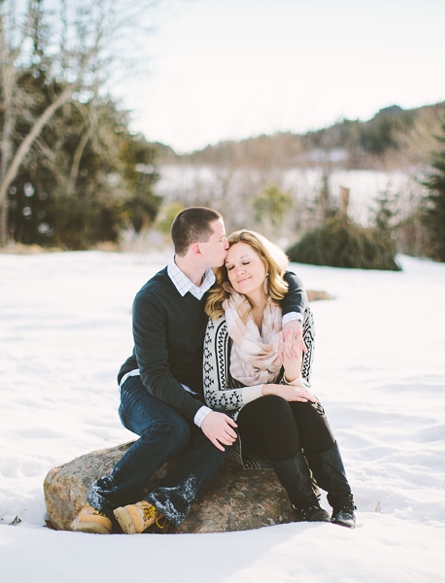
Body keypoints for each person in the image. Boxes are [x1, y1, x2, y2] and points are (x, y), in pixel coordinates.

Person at [70, 208, 309, 534]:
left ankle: (156, 508)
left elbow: (284, 275)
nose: (227, 245)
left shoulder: (221, 282)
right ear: (198, 249)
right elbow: (154, 375)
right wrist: (201, 415)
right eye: (221, 238)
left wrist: (293, 316)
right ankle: (98, 504)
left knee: (225, 432)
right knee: (173, 430)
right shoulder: (151, 298)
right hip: (145, 386)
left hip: (196, 392)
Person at [202, 229, 357, 528]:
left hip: (287, 423)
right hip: (241, 427)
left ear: (265, 259)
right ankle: (307, 505)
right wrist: (269, 390)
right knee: (274, 405)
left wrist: (291, 373)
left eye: (245, 262)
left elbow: (300, 387)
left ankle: (343, 501)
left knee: (305, 404)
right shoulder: (221, 322)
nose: (238, 272)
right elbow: (213, 396)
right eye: (231, 267)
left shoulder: (295, 319)